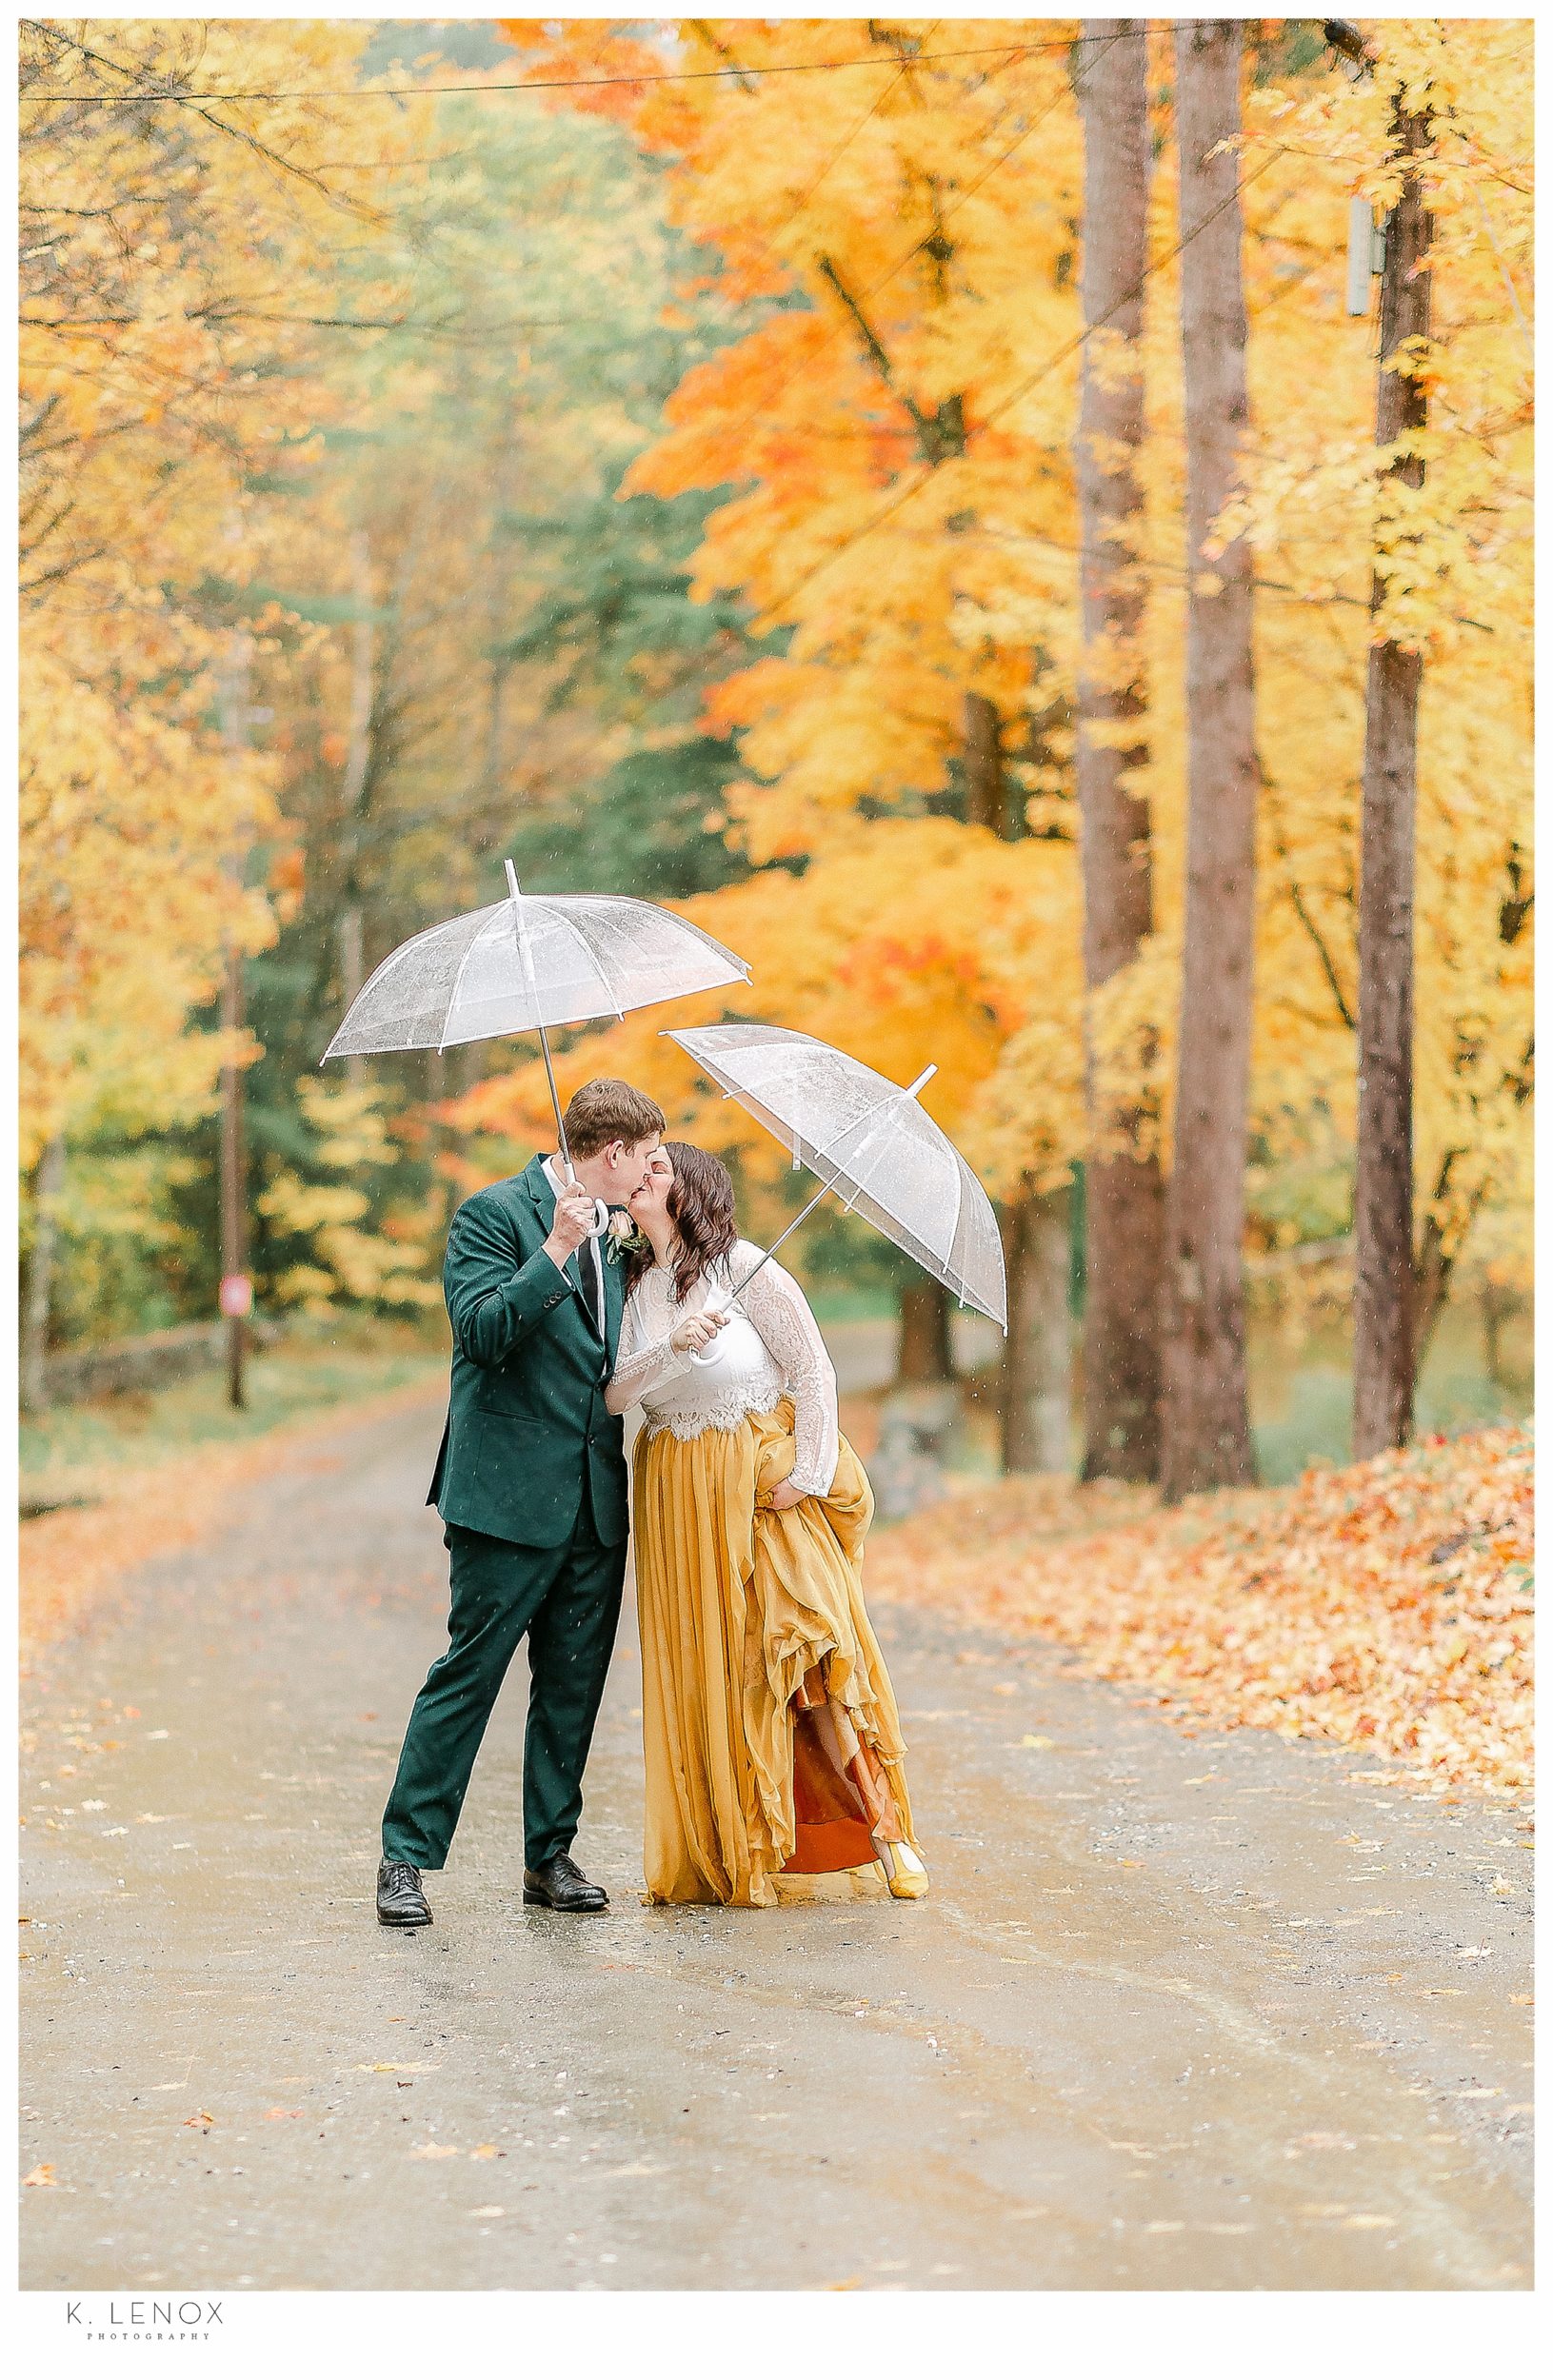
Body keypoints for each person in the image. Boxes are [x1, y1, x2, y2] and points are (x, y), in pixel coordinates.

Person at [375, 1078, 710, 1926]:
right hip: (504, 1499)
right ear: (612, 1154)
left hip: (596, 1501)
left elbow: (613, 1367)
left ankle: (548, 1857)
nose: (649, 1175)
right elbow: (482, 1334)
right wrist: (555, 1249)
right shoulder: (492, 1216)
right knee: (468, 1677)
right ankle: (405, 1859)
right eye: (645, 1158)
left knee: (571, 1689)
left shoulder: (624, 1236)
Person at [607, 1140, 929, 1907]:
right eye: (640, 1170)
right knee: (716, 1669)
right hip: (680, 1493)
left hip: (760, 1487)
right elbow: (617, 1395)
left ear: (694, 1189)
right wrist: (670, 1350)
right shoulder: (632, 1287)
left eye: (658, 1170)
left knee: (806, 1655)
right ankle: (732, 1840)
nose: (642, 1179)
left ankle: (889, 1838)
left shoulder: (748, 1268)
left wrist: (808, 1476)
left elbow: (814, 1370)